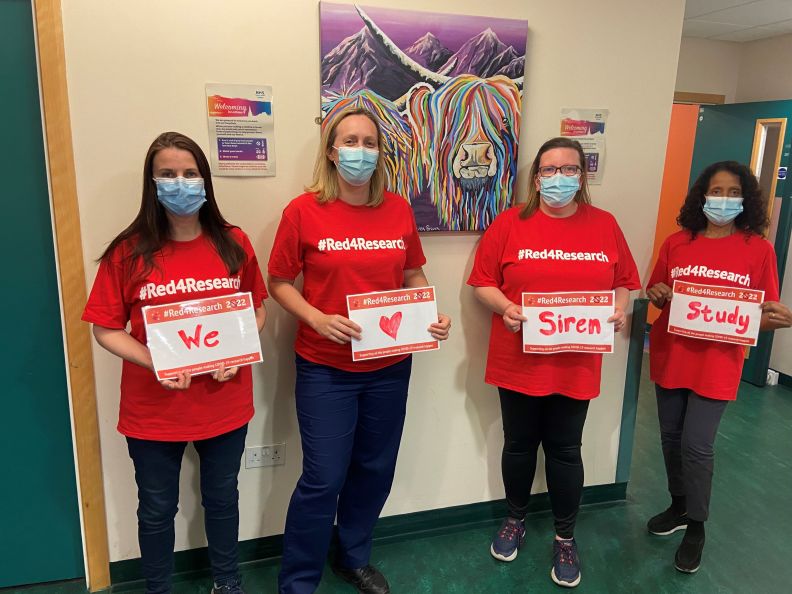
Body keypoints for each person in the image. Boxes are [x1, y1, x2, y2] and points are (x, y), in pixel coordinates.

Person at [268, 106, 451, 594]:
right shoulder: (302, 211)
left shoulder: (397, 208)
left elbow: (412, 272)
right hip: (325, 368)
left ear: (380, 152)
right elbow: (279, 281)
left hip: (390, 366)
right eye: (350, 141)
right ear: (331, 151)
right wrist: (316, 318)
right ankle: (299, 580)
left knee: (374, 468)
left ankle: (352, 556)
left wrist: (429, 312)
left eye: (370, 142)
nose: (360, 151)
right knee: (323, 478)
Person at [82, 132, 267, 594]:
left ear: (205, 180)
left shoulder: (233, 242)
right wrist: (154, 361)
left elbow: (257, 307)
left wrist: (238, 348)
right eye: (167, 174)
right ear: (152, 183)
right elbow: (104, 328)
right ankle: (158, 588)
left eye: (190, 173)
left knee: (223, 499)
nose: (180, 183)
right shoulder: (127, 251)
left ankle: (227, 582)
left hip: (225, 402)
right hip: (153, 411)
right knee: (156, 508)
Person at [467, 137, 640, 588]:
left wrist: (619, 309)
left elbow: (624, 282)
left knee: (566, 448)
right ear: (536, 177)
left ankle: (565, 537)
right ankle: (515, 519)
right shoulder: (509, 224)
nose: (558, 177)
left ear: (582, 176)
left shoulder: (604, 224)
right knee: (519, 444)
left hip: (576, 362)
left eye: (568, 169)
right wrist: (504, 307)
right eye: (549, 170)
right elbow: (482, 282)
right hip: (518, 359)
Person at [645, 160, 792, 573]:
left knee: (697, 446)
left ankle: (697, 525)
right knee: (671, 440)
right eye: (716, 191)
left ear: (745, 200)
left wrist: (782, 318)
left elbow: (762, 314)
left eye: (732, 193)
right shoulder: (677, 243)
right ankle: (677, 506)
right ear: (701, 196)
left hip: (717, 364)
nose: (723, 200)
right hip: (672, 355)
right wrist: (656, 293)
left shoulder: (758, 249)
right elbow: (657, 292)